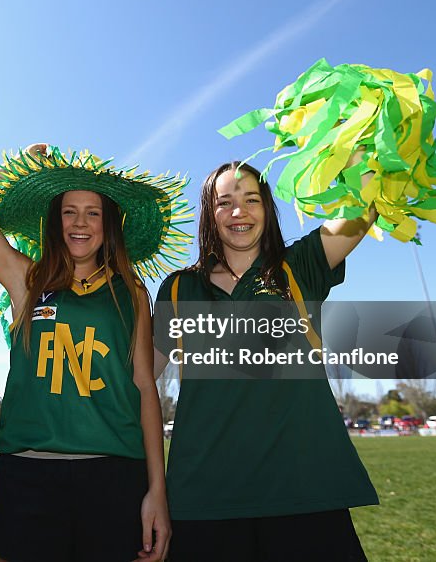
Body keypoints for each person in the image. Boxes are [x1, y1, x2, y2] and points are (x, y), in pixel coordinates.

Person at [0, 144, 183, 562]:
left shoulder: (131, 292)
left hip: (114, 473)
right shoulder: (28, 279)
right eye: (69, 211)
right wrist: (21, 163)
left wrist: (156, 491)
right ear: (53, 222)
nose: (80, 223)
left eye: (93, 212)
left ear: (108, 224)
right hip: (29, 473)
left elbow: (145, 388)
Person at [153, 161, 379, 561]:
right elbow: (137, 383)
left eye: (251, 200)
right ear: (210, 213)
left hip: (306, 495)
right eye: (225, 202)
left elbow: (366, 202)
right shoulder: (178, 288)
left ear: (267, 208)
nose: (239, 211)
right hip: (205, 501)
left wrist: (358, 126)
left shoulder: (301, 265)